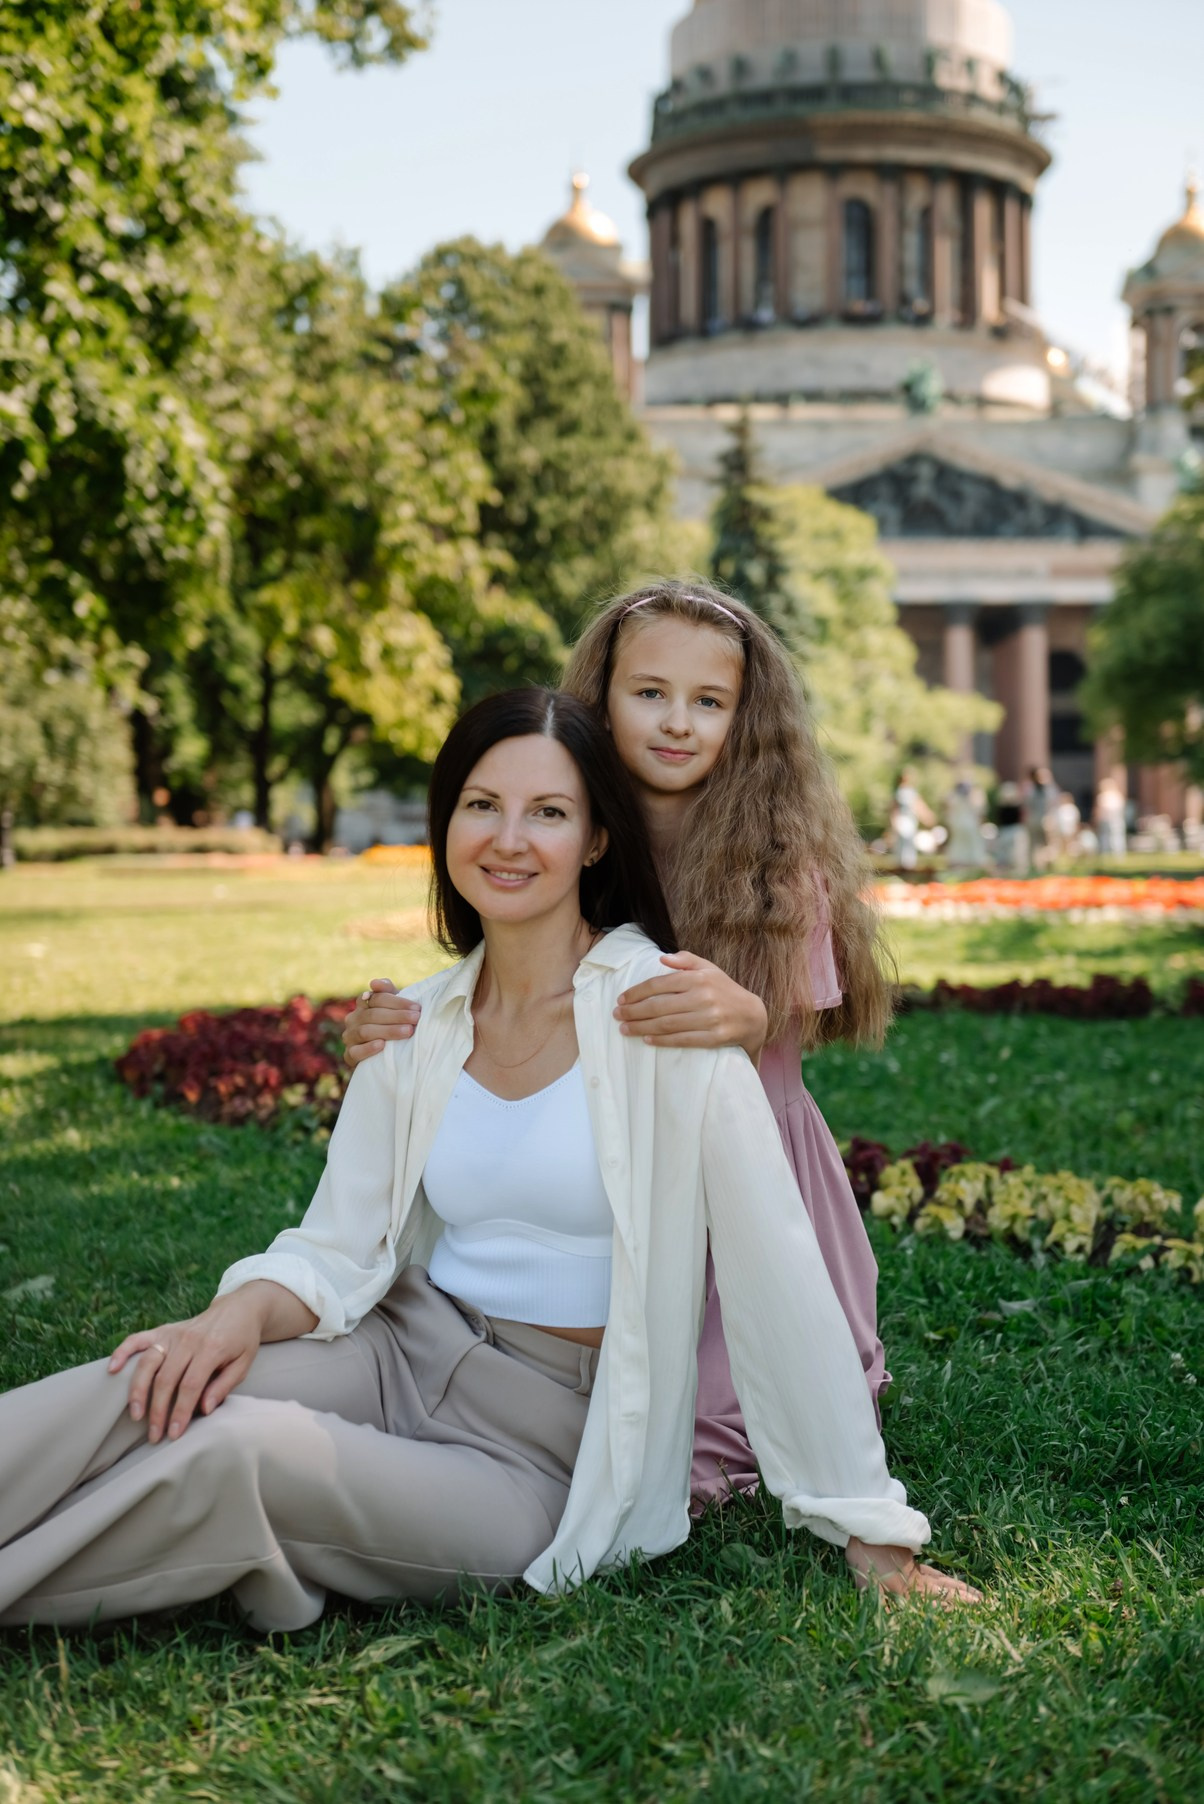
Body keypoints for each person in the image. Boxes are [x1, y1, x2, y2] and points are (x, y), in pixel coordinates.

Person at [0, 692, 980, 1632]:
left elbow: (781, 1282)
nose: (509, 838)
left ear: (595, 838)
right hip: (400, 1349)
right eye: (482, 805)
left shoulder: (664, 1018)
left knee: (238, 1452)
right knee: (144, 1380)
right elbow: (339, 1243)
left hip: (551, 1449)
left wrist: (872, 1535)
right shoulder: (416, 1022)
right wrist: (233, 1317)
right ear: (447, 822)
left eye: (547, 812)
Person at [343, 580, 895, 1509]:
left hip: (748, 1158)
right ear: (601, 699)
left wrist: (753, 1019)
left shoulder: (773, 859)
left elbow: (783, 1033)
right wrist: (397, 1030)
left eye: (708, 702)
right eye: (650, 693)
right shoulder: (571, 835)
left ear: (745, 720)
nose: (676, 722)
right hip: (615, 1164)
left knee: (717, 1438)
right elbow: (507, 986)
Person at [889, 767, 934, 872]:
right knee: (903, 841)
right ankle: (902, 864)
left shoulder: (912, 792)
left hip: (910, 819)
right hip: (902, 819)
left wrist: (927, 817)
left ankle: (908, 864)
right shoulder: (898, 792)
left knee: (909, 841)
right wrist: (893, 820)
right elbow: (894, 808)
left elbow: (918, 806)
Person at [944, 780, 988, 870]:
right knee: (970, 845)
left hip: (958, 824)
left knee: (960, 845)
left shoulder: (954, 798)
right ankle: (970, 865)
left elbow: (948, 811)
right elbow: (980, 811)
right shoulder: (972, 797)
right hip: (969, 824)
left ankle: (963, 864)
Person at [1094, 777, 1127, 858]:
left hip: (1106, 819)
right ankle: (1118, 854)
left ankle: (1106, 853)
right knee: (1117, 837)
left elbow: (1100, 809)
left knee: (1105, 837)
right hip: (1117, 820)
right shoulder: (1118, 795)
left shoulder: (1103, 796)